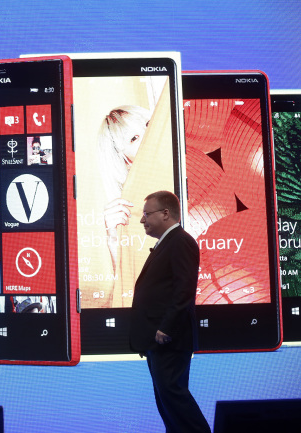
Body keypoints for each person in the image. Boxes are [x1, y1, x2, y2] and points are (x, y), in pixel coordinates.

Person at [129, 190, 210, 433]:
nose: (142, 220)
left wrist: (166, 328)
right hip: (159, 342)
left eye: (146, 214)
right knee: (168, 403)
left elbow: (183, 290)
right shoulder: (168, 242)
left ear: (165, 214)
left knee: (175, 400)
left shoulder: (181, 241)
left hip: (169, 340)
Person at [97, 105, 151, 272]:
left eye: (149, 124)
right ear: (125, 161)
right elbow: (128, 291)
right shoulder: (135, 214)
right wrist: (114, 240)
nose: (148, 136)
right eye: (134, 138)